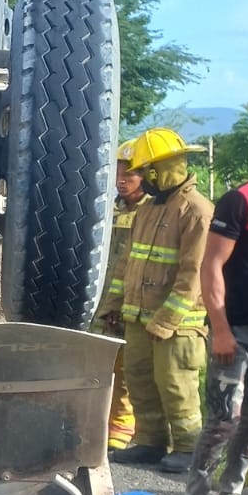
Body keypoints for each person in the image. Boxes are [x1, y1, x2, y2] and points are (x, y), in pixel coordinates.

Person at [104, 128, 213, 474]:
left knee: (176, 386)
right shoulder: (149, 210)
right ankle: (150, 443)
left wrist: (166, 321)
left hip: (177, 327)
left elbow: (193, 274)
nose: (134, 178)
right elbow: (127, 264)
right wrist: (112, 306)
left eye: (140, 170)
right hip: (138, 319)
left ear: (156, 170)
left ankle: (188, 448)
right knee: (139, 381)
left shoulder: (196, 211)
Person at [176, 168, 248, 495]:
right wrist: (219, 328)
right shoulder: (244, 200)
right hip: (234, 331)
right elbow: (211, 264)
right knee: (223, 421)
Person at [94, 141, 148, 448]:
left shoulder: (151, 215)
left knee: (129, 368)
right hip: (105, 302)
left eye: (130, 173)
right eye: (118, 172)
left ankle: (122, 429)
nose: (122, 179)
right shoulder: (107, 210)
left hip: (135, 302)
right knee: (103, 363)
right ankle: (101, 424)